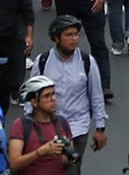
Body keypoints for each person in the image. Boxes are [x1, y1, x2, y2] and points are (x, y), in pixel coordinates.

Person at [29, 15, 110, 173]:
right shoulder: (42, 61)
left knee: (73, 169)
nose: (74, 39)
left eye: (76, 34)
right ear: (56, 38)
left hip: (78, 128)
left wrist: (100, 128)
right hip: (48, 128)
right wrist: (30, 124)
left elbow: (96, 96)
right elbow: (31, 95)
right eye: (69, 35)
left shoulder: (87, 62)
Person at [10, 76, 77, 175]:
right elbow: (14, 164)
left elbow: (67, 160)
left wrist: (67, 156)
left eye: (53, 94)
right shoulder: (20, 125)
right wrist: (42, 151)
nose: (53, 99)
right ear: (34, 102)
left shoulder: (62, 123)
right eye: (47, 96)